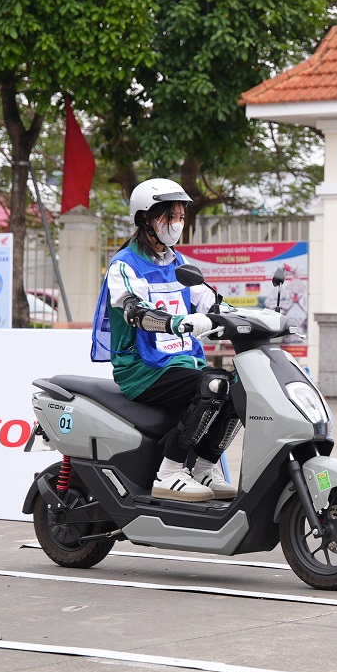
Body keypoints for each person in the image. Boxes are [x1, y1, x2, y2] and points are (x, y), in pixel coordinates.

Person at [94, 178, 237, 502]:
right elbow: (135, 312)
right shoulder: (125, 265)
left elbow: (210, 302)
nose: (177, 224)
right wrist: (177, 322)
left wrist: (250, 319)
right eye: (170, 217)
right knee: (214, 384)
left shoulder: (179, 263)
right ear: (145, 218)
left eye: (180, 217)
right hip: (142, 369)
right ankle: (170, 472)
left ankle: (204, 467)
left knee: (240, 386)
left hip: (182, 363)